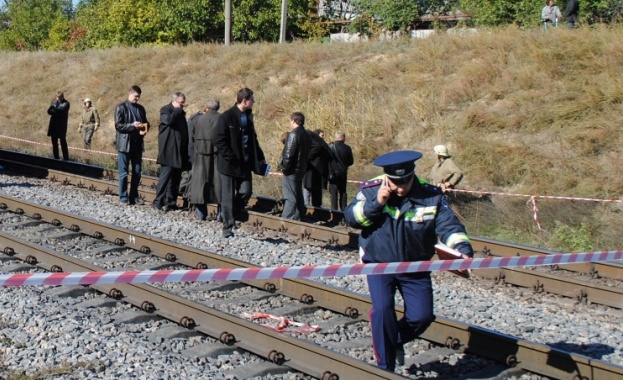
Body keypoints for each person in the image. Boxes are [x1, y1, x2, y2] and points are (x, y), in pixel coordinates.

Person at [343, 150, 474, 372]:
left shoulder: (430, 194)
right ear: (387, 178)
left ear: (413, 174)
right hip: (379, 263)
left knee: (422, 316)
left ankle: (393, 341)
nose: (401, 187)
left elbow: (449, 226)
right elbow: (351, 218)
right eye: (395, 182)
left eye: (405, 180)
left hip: (416, 265)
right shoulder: (371, 190)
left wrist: (462, 250)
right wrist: (377, 202)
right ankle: (384, 369)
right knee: (383, 310)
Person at [213, 87, 267, 238]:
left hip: (244, 165)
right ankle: (227, 227)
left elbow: (253, 141)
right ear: (245, 101)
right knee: (228, 196)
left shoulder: (248, 118)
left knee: (245, 191)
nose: (254, 102)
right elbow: (218, 139)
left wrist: (260, 158)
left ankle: (228, 214)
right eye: (252, 99)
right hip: (229, 164)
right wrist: (230, 157)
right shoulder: (226, 117)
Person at [153, 92, 190, 212]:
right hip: (169, 150)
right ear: (174, 101)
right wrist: (178, 110)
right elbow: (168, 121)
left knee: (175, 179)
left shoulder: (180, 112)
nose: (183, 105)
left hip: (179, 151)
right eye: (181, 102)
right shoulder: (166, 110)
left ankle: (171, 202)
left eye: (183, 102)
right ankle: (158, 201)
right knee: (165, 177)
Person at [115, 85, 150, 205]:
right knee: (123, 173)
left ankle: (134, 196)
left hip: (137, 144)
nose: (137, 99)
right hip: (124, 145)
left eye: (139, 97)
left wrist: (144, 129)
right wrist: (132, 126)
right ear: (130, 94)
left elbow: (146, 123)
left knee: (137, 172)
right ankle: (123, 197)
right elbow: (118, 126)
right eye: (136, 96)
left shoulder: (141, 109)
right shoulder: (121, 107)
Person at [189, 99, 222, 221]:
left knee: (200, 185)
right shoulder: (223, 119)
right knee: (219, 185)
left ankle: (201, 214)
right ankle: (221, 215)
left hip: (201, 156)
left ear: (206, 106)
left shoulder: (197, 120)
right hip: (218, 156)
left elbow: (192, 136)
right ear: (218, 107)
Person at [279, 112, 310, 220]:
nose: (290, 122)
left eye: (291, 120)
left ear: (294, 121)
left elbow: (289, 154)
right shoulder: (306, 134)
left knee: (290, 197)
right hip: (301, 169)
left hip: (291, 170)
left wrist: (284, 168)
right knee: (298, 195)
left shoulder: (293, 134)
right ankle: (299, 216)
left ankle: (286, 219)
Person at [303, 129, 331, 207]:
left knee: (309, 190)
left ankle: (308, 206)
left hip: (313, 171)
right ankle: (310, 206)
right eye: (322, 135)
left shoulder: (318, 145)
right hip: (314, 171)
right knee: (311, 191)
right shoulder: (321, 145)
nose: (323, 137)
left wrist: (306, 158)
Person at [327, 130, 354, 211]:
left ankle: (334, 210)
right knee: (343, 192)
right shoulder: (347, 148)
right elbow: (351, 162)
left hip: (333, 173)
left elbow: (327, 160)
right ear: (342, 137)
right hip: (343, 172)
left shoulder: (330, 146)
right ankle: (344, 209)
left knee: (333, 193)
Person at [47, 91, 70, 160]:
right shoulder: (54, 102)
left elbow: (62, 112)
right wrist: (55, 111)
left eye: (59, 97)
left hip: (61, 125)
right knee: (54, 142)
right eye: (57, 97)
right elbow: (49, 111)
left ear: (63, 97)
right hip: (53, 125)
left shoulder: (66, 103)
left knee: (63, 142)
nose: (58, 99)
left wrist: (54, 111)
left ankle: (66, 158)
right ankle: (56, 157)